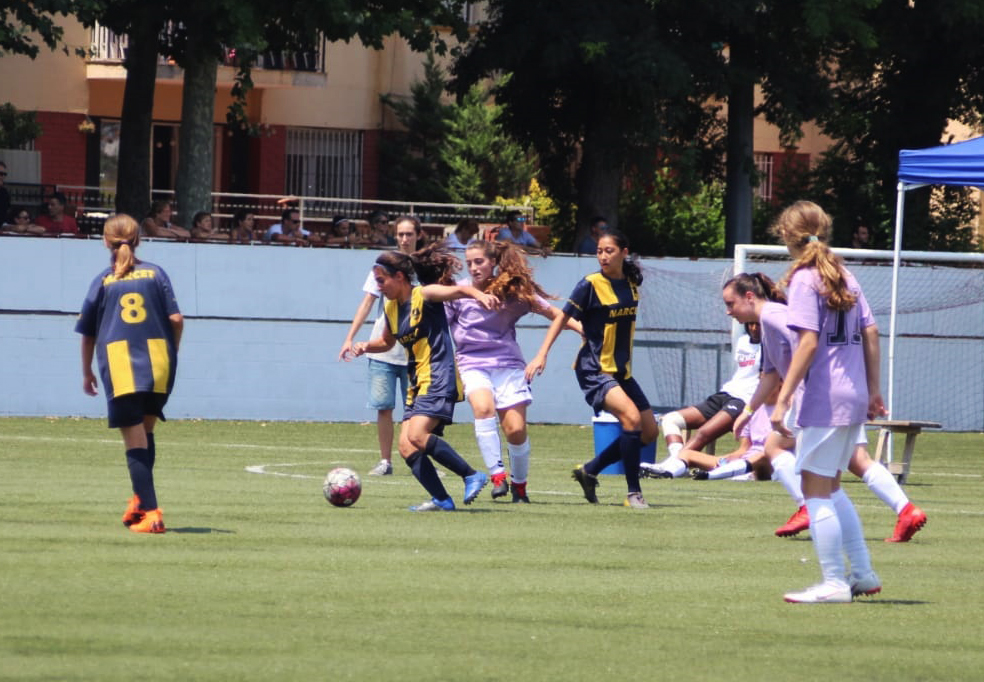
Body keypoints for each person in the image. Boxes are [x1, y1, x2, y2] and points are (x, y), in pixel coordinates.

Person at [725, 271, 928, 543]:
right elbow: (771, 375)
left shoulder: (774, 315)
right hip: (840, 391)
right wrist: (748, 413)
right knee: (858, 461)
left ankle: (808, 509)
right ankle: (906, 510)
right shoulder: (768, 321)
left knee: (781, 452)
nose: (729, 312)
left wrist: (787, 398)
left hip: (815, 395)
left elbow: (807, 345)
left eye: (730, 304)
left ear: (749, 297)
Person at [768, 200, 887, 603]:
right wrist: (873, 390)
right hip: (852, 392)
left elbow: (808, 341)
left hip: (825, 396)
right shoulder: (845, 275)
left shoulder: (805, 278)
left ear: (786, 234)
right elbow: (871, 332)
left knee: (814, 489)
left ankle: (835, 582)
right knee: (832, 486)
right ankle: (865, 573)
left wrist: (783, 400)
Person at [350, 244, 498, 511]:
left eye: (381, 280)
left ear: (400, 277)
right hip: (417, 382)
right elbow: (386, 342)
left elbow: (460, 290)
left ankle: (470, 474)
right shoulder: (391, 307)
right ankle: (442, 500)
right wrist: (364, 346)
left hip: (439, 375)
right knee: (406, 446)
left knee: (417, 435)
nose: (378, 287)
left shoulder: (424, 294)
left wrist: (479, 295)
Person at [525, 229, 658, 509]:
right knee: (631, 420)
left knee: (648, 432)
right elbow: (562, 317)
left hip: (621, 370)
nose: (602, 256)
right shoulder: (589, 284)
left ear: (624, 252)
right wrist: (541, 354)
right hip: (594, 368)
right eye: (599, 251)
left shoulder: (632, 282)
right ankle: (634, 493)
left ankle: (590, 470)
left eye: (608, 250)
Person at [447, 239, 582, 502]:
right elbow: (439, 326)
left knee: (516, 429)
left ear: (493, 263)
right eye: (469, 263)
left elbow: (555, 314)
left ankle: (519, 486)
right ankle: (497, 477)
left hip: (507, 365)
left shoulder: (513, 291)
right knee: (483, 408)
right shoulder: (457, 292)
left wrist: (584, 332)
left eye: (479, 262)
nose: (473, 268)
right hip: (471, 363)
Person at [75, 213, 183, 533]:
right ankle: (139, 500)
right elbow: (176, 319)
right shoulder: (156, 273)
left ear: (106, 242)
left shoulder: (104, 280)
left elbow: (88, 332)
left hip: (121, 363)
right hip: (160, 362)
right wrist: (172, 351)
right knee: (145, 434)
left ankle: (150, 513)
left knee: (134, 441)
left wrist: (86, 372)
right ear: (138, 240)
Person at [338, 216, 420, 477]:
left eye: (409, 234)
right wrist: (350, 337)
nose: (405, 239)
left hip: (416, 352)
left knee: (417, 411)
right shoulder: (382, 266)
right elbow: (366, 303)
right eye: (401, 234)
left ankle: (420, 460)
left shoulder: (425, 268)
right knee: (384, 407)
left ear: (419, 235)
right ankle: (385, 461)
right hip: (383, 349)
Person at [641, 322, 762, 479]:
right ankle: (678, 464)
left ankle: (672, 467)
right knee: (670, 419)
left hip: (744, 401)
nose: (753, 328)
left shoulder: (770, 345)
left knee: (703, 432)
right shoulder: (742, 341)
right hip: (726, 394)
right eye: (751, 324)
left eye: (758, 325)